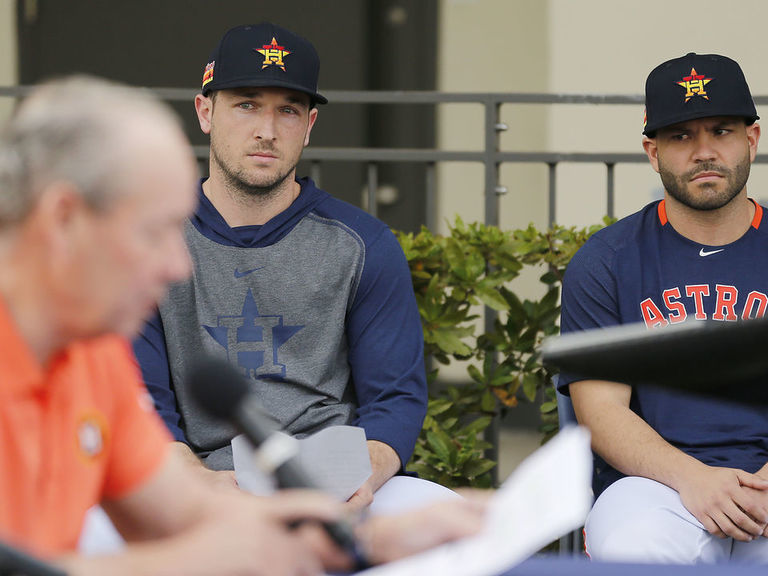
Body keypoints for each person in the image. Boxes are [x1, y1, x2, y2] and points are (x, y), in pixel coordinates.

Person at [0, 75, 485, 576]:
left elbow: (183, 514)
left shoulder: (90, 355)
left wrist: (374, 541)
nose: (178, 265)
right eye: (154, 231)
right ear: (63, 219)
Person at [134, 22, 450, 510]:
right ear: (205, 111)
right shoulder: (148, 242)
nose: (267, 130)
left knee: (446, 526)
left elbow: (395, 401)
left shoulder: (363, 243)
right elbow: (142, 404)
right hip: (198, 481)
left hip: (334, 478)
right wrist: (198, 485)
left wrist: (363, 476)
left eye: (288, 110)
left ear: (309, 125)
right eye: (247, 104)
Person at [558, 52, 768, 564]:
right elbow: (601, 412)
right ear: (653, 152)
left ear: (752, 140)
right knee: (634, 546)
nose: (703, 152)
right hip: (656, 487)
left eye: (721, 130)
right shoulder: (607, 260)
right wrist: (693, 479)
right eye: (680, 136)